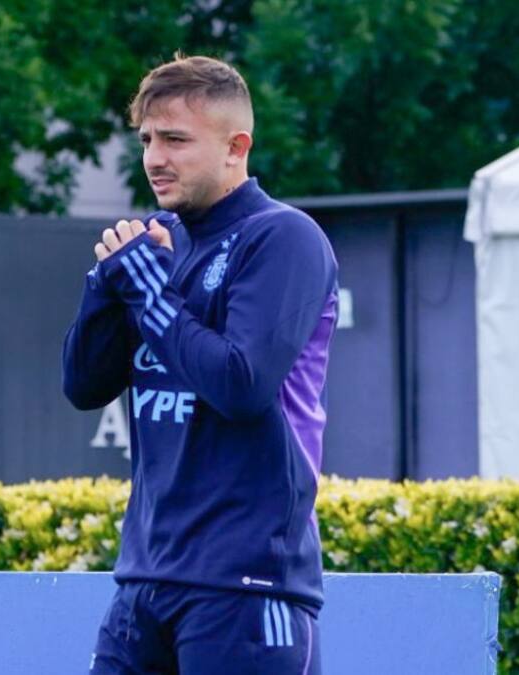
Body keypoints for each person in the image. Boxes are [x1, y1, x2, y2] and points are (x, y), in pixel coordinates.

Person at [63, 55, 339, 674]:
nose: (155, 158)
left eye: (176, 140)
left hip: (248, 586)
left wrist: (147, 291)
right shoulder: (159, 243)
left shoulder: (283, 238)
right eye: (147, 140)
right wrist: (105, 288)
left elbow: (241, 386)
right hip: (144, 580)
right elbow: (82, 385)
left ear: (235, 147)